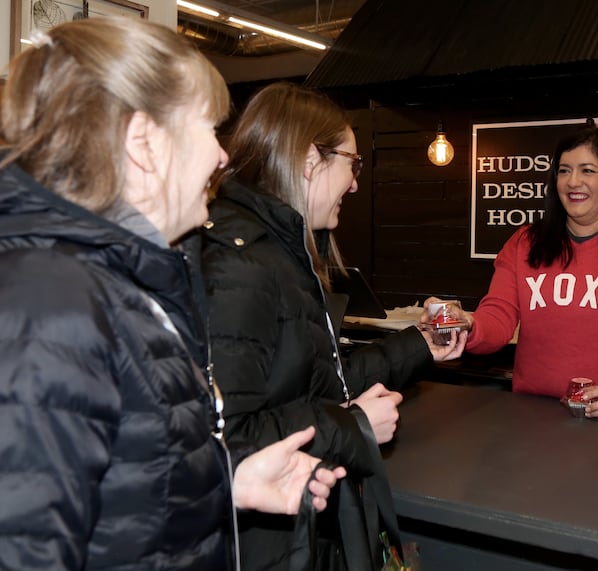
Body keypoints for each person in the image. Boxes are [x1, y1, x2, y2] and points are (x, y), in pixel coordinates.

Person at [0, 17, 345, 571]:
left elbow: (118, 503)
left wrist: (223, 487)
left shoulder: (117, 287)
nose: (223, 157)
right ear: (144, 144)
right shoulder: (50, 309)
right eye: (209, 129)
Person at [200, 81, 467, 569]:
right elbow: (225, 438)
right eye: (352, 162)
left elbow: (324, 381)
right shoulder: (241, 265)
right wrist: (354, 425)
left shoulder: (284, 253)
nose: (355, 183)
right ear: (309, 159)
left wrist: (421, 345)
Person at [425, 122, 598, 419]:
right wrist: (467, 323)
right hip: (533, 416)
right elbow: (497, 318)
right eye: (564, 171)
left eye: (587, 170)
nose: (573, 181)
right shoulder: (525, 242)